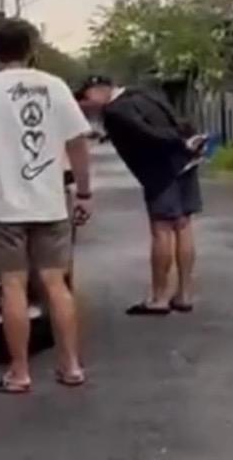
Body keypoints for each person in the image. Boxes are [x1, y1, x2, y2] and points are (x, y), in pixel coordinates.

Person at [0, 19, 93, 394]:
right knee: (55, 283)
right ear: (31, 51)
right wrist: (84, 192)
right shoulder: (56, 87)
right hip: (49, 204)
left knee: (12, 285)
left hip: (3, 209)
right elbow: (78, 142)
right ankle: (71, 366)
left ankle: (19, 372)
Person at [76, 76, 205, 316]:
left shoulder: (116, 111)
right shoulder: (146, 93)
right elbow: (177, 119)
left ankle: (159, 297)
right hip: (185, 162)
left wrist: (177, 142)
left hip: (159, 170)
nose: (86, 105)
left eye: (86, 98)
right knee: (184, 224)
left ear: (98, 89)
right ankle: (184, 294)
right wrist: (187, 141)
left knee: (162, 230)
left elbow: (147, 133)